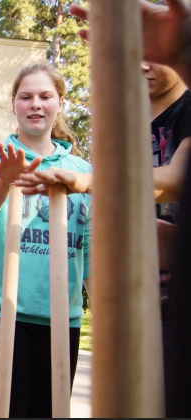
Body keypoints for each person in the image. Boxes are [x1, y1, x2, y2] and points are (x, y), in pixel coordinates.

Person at [69, 0, 191, 416]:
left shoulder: (187, 108)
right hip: (137, 291)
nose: (145, 64)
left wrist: (94, 182)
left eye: (153, 53)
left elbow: (176, 177)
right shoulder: (131, 121)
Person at [0, 61, 91, 418]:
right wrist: (5, 179)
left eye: (45, 96)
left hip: (61, 316)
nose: (35, 104)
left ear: (60, 103)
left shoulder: (82, 172)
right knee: (5, 411)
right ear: (13, 104)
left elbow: (91, 250)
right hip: (0, 311)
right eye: (26, 97)